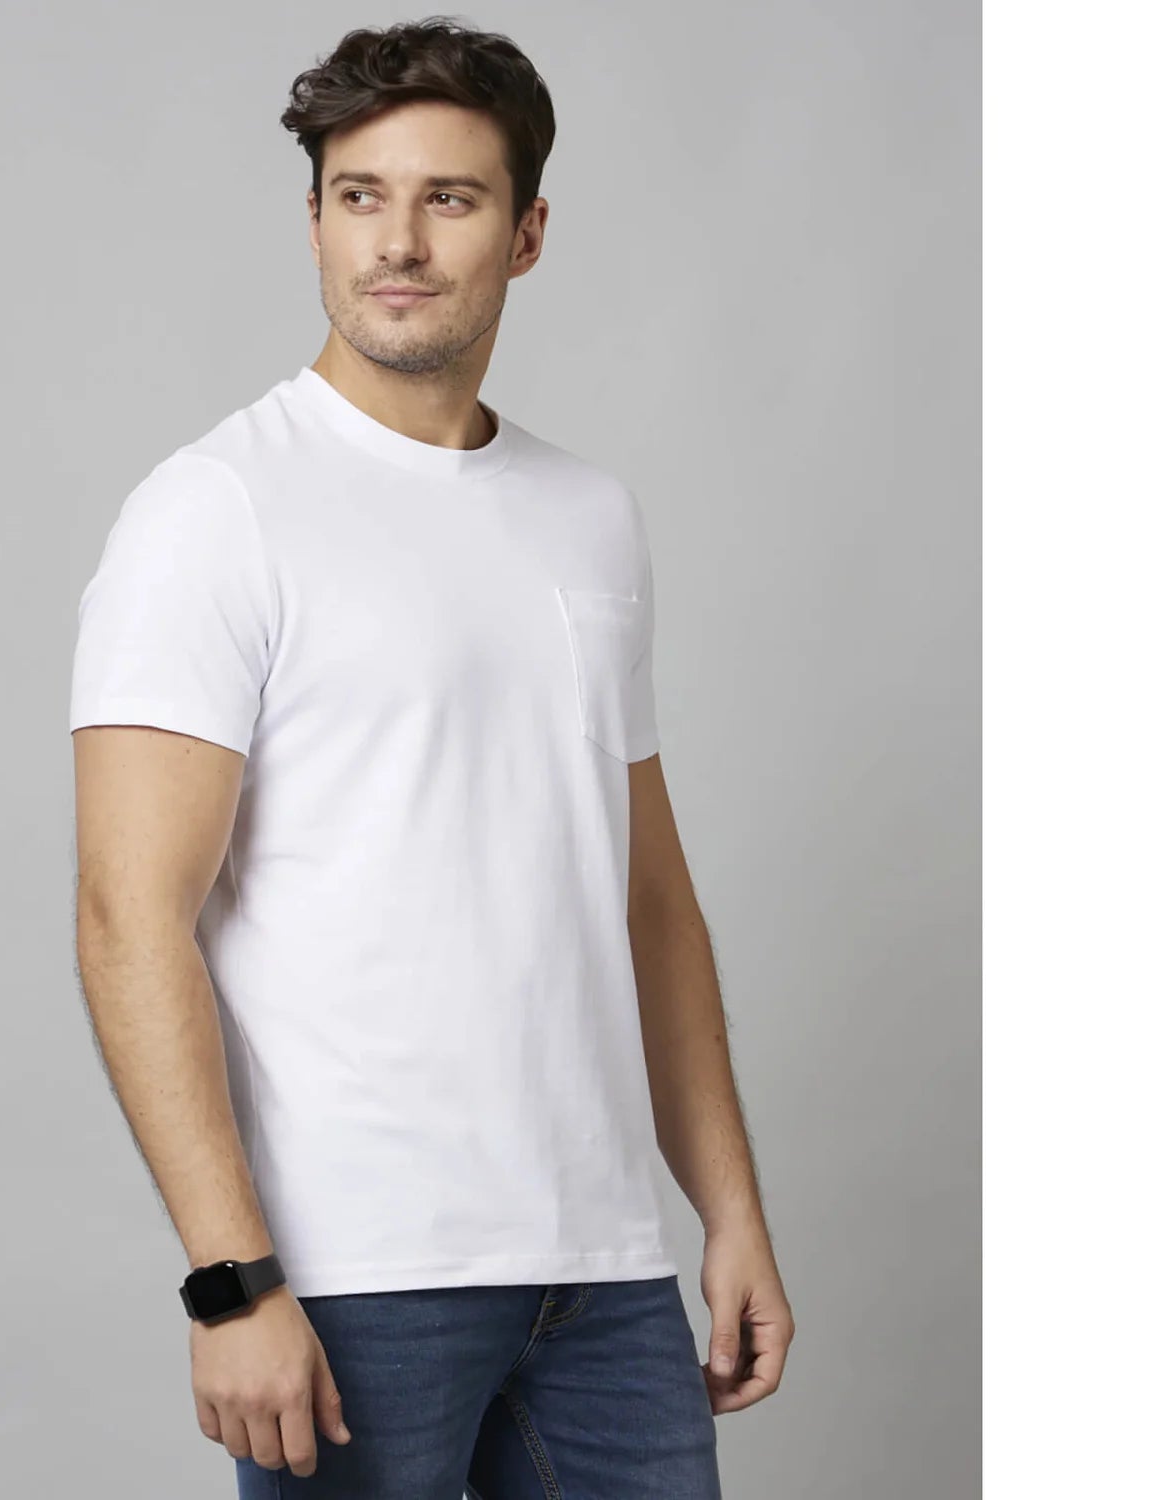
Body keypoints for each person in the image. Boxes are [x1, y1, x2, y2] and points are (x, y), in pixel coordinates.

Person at [69, 17, 793, 1499]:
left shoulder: (592, 516)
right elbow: (127, 917)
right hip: (354, 1276)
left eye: (448, 199)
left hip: (603, 1274)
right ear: (315, 220)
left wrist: (729, 1211)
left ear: (526, 235)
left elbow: (651, 902)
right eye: (360, 196)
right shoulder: (216, 510)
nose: (397, 243)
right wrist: (230, 1282)